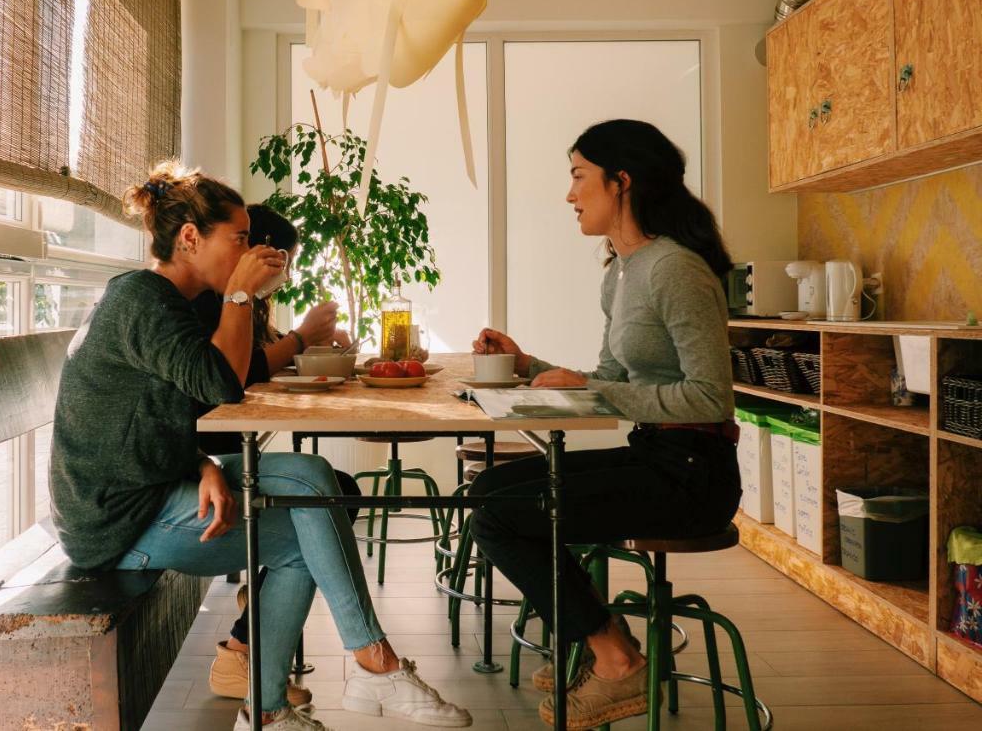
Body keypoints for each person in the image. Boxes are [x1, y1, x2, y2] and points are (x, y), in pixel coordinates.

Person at [49, 161, 471, 731]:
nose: (251, 251)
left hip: (148, 488)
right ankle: (372, 665)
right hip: (118, 521)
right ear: (191, 238)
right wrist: (243, 293)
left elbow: (154, 414)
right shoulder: (141, 300)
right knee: (312, 511)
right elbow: (222, 382)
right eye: (241, 238)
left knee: (313, 481)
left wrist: (199, 463)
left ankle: (278, 704)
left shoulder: (160, 301)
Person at [469, 119, 740, 729]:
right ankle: (601, 632)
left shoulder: (676, 270)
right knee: (487, 491)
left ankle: (615, 659)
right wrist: (524, 363)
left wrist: (593, 387)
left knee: (497, 517)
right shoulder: (620, 272)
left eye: (578, 176)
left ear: (622, 182)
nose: (569, 195)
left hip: (694, 475)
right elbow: (608, 380)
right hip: (654, 455)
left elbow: (709, 397)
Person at [193, 203, 363, 708]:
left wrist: (314, 347)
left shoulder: (238, 301)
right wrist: (302, 339)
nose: (285, 275)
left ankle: (256, 620)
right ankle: (240, 650)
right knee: (333, 497)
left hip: (214, 453)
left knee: (333, 492)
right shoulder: (213, 300)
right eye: (282, 261)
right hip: (205, 459)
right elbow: (236, 377)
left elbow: (259, 365)